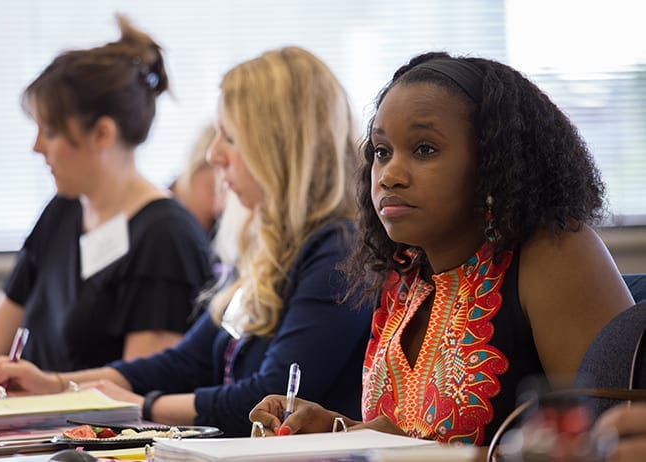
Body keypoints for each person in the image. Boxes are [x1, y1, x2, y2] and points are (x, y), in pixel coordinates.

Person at [0, 46, 372, 437]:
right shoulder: (269, 245)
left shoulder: (339, 252)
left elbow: (265, 400)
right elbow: (185, 361)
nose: (213, 154)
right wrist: (59, 385)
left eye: (231, 138)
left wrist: (141, 405)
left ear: (283, 148)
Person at [249, 51, 635, 446]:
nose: (390, 176)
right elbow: (413, 436)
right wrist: (335, 431)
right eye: (382, 152)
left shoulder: (554, 252)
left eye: (424, 150)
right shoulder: (406, 273)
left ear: (493, 164)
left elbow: (610, 444)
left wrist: (407, 446)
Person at [0, 16, 214, 372]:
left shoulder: (166, 238)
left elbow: (137, 388)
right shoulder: (62, 211)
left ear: (102, 134)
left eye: (51, 132)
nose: (36, 147)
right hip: (34, 422)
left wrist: (46, 391)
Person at [169, 123, 226, 238]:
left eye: (225, 193)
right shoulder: (158, 216)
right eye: (212, 189)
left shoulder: (222, 229)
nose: (217, 207)